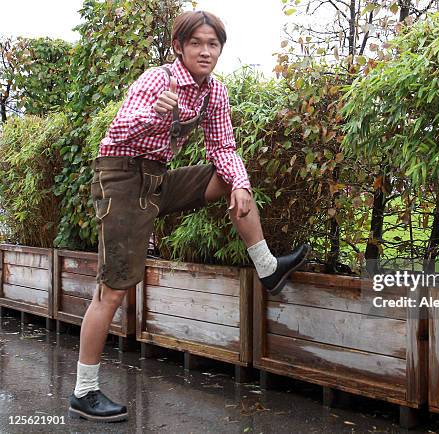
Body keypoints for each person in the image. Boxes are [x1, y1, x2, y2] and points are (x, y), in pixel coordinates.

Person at [68, 10, 310, 422]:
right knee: (112, 289)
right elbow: (118, 131)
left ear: (220, 50)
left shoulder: (214, 92)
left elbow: (223, 146)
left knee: (229, 175)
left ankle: (267, 267)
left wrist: (240, 184)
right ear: (179, 47)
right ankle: (84, 391)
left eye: (212, 44)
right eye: (195, 43)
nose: (204, 51)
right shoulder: (157, 80)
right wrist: (157, 114)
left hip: (158, 179)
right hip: (122, 179)